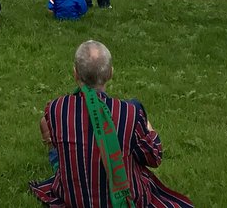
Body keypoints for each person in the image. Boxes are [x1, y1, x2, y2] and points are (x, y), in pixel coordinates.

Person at [31, 40, 194, 208]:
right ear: (110, 73)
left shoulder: (56, 108)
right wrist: (147, 126)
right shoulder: (129, 113)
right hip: (120, 199)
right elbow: (154, 158)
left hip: (73, 198)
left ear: (75, 73)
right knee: (133, 129)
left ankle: (53, 150)